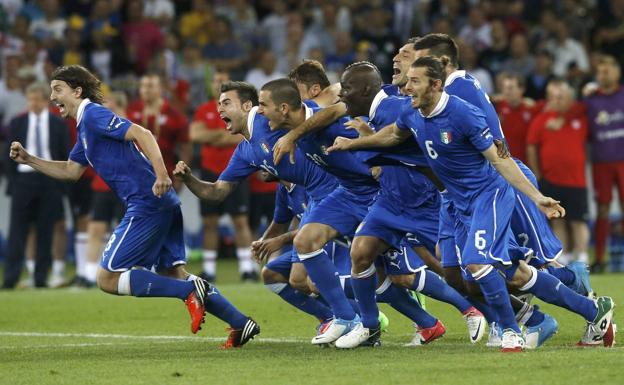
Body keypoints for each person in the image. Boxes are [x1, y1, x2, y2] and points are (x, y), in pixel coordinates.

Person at [331, 56, 616, 350]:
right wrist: (354, 143)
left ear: (436, 85)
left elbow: (500, 160)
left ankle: (509, 330)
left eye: (415, 81)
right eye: (408, 81)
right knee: (485, 273)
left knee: (478, 263)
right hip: (455, 203)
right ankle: (593, 310)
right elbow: (392, 135)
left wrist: (537, 197)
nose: (406, 87)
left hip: (487, 195)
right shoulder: (412, 114)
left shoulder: (463, 114)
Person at [9, 65, 258, 348]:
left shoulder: (93, 114)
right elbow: (70, 170)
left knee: (107, 278)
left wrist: (162, 174)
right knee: (172, 274)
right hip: (161, 204)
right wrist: (30, 159)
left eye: (58, 90)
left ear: (77, 92)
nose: (53, 96)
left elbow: (144, 134)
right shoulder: (84, 127)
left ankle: (189, 291)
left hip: (146, 202)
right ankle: (240, 322)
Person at [324, 62, 486, 348]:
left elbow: (419, 141)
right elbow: (390, 144)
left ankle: (504, 312)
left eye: (347, 89)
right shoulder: (376, 113)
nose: (342, 96)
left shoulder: (398, 107)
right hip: (389, 201)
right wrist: (367, 139)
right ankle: (370, 326)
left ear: (363, 89)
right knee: (361, 253)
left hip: (423, 202)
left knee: (454, 269)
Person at [190, 70, 256, 282]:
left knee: (240, 221)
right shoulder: (204, 110)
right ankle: (209, 270)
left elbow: (242, 137)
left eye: (223, 81)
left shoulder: (240, 110)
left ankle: (247, 269)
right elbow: (194, 134)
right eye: (216, 81)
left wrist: (215, 137)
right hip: (209, 171)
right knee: (209, 223)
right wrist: (223, 135)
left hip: (237, 171)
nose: (218, 84)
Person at [3, 82, 70, 289]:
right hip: (24, 181)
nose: (33, 103)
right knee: (17, 231)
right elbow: (7, 156)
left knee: (45, 230)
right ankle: (10, 278)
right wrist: (14, 181)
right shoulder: (17, 122)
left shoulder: (58, 124)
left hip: (49, 181)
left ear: (45, 100)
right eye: (30, 99)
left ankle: (40, 278)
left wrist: (60, 183)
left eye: (37, 99)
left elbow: (63, 154)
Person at [527, 79, 590, 265]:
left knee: (578, 221)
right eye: (553, 97)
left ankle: (582, 255)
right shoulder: (542, 119)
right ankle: (562, 255)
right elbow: (531, 146)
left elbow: (584, 106)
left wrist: (567, 116)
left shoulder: (580, 117)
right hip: (551, 179)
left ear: (570, 99)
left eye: (561, 97)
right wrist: (537, 174)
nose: (556, 101)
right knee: (558, 220)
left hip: (576, 180)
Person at [83, 91, 128, 288]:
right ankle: (88, 274)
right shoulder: (97, 125)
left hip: (123, 186)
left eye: (109, 102)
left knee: (124, 231)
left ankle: (125, 272)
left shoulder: (128, 124)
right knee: (95, 229)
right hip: (102, 185)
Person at [584, 55, 624, 273]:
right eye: (600, 71)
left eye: (607, 70)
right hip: (602, 162)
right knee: (602, 209)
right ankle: (600, 258)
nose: (603, 75)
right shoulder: (590, 101)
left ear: (617, 73)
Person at [126, 73, 191, 191]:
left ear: (161, 89)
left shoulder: (174, 115)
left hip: (165, 177)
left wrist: (180, 178)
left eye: (150, 86)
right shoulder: (131, 111)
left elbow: (185, 147)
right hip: (134, 177)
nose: (145, 90)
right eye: (143, 86)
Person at [494, 72, 538, 165]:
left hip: (525, 164)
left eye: (510, 88)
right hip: (503, 164)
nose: (506, 92)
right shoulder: (496, 107)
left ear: (522, 89)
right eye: (503, 88)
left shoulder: (532, 109)